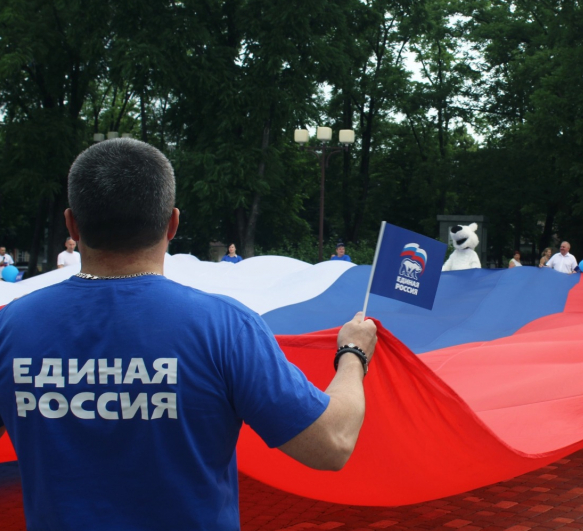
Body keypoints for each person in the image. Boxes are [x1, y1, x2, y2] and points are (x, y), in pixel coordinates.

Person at [0, 138, 378, 530]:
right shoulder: (225, 327)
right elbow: (332, 443)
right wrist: (353, 354)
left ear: (72, 224)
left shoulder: (12, 326)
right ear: (172, 224)